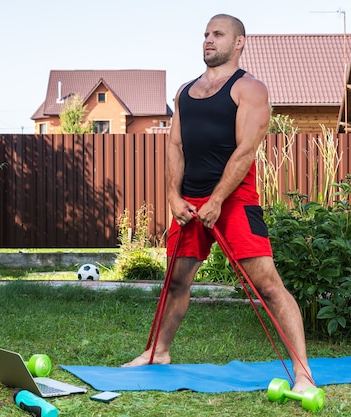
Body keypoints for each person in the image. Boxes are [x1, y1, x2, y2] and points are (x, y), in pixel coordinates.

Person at [122, 13, 315, 392]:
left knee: (268, 284)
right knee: (176, 280)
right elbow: (175, 146)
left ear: (239, 42)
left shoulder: (250, 89)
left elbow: (246, 151)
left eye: (218, 34)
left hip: (235, 198)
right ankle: (158, 351)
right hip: (190, 201)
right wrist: (172, 196)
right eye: (206, 34)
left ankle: (304, 374)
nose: (209, 40)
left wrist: (217, 200)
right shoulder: (184, 92)